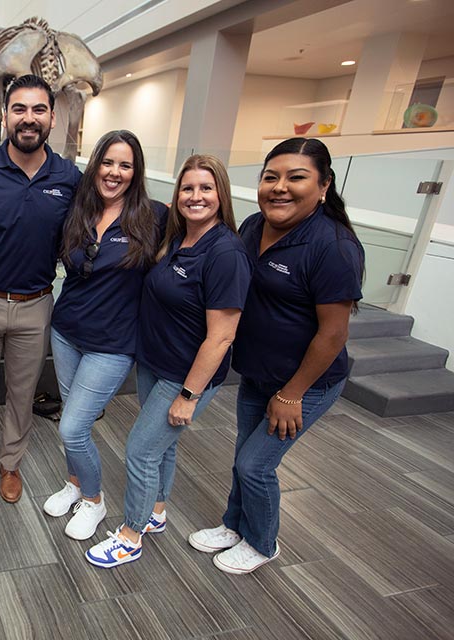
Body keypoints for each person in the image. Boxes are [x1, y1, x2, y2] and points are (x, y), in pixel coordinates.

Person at [188, 137, 364, 574]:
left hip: (306, 384)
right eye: (271, 177)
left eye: (296, 178)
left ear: (323, 186)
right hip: (258, 374)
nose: (280, 187)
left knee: (255, 464)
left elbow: (333, 333)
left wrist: (292, 394)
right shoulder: (251, 226)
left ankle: (264, 543)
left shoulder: (334, 246)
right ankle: (235, 525)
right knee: (243, 455)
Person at [85, 154, 252, 567]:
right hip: (156, 363)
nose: (196, 197)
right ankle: (157, 511)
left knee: (141, 451)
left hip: (183, 377)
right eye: (188, 188)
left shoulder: (225, 252)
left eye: (206, 188)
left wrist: (189, 395)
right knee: (162, 447)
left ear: (222, 195)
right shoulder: (178, 237)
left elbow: (223, 336)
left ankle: (130, 535)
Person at [0, 74, 82, 502]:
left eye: (39, 109)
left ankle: (11, 463)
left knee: (23, 392)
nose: (29, 118)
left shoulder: (68, 177)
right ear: (5, 115)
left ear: (52, 116)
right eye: (20, 109)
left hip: (36, 303)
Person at [41, 130, 167, 540]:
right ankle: (74, 484)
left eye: (125, 165)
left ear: (136, 171)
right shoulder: (79, 211)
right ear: (95, 166)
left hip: (113, 344)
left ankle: (94, 502)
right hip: (66, 331)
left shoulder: (155, 217)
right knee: (74, 420)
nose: (114, 172)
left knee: (72, 428)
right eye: (108, 163)